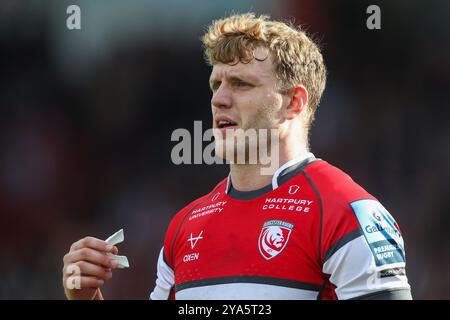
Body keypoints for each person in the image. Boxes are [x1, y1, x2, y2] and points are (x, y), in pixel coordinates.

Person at [62, 13, 412, 300]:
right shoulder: (186, 226)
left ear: (294, 102)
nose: (219, 99)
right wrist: (86, 297)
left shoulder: (345, 214)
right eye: (217, 84)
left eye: (241, 84)